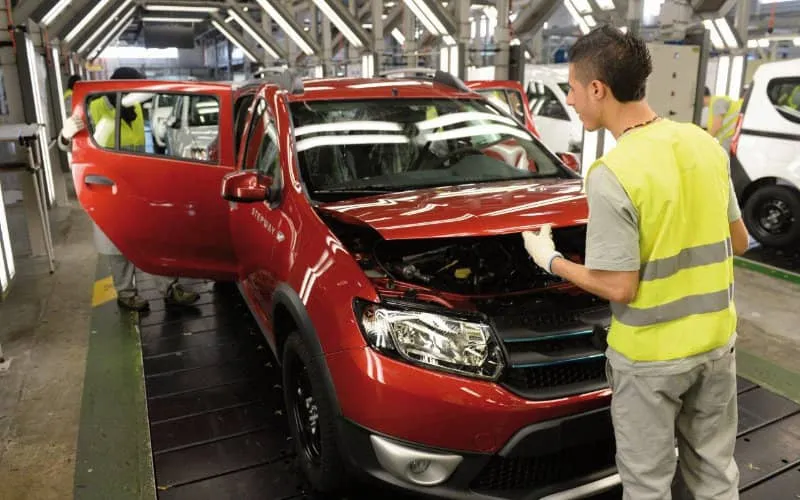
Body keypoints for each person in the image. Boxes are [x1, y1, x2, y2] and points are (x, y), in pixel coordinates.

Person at [521, 26, 750, 500]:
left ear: (598, 89)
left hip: (650, 360)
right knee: (715, 473)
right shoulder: (703, 145)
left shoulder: (613, 174)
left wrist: (551, 260)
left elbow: (620, 287)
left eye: (572, 87)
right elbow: (740, 242)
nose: (570, 98)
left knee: (647, 483)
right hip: (715, 345)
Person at [59, 67, 199, 312]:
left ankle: (169, 288)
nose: (138, 97)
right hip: (106, 187)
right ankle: (126, 293)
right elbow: (72, 146)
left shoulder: (132, 106)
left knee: (154, 236)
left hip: (136, 183)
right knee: (116, 244)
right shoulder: (93, 107)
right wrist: (65, 135)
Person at [702, 86, 742, 152]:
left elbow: (717, 126)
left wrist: (704, 140)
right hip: (729, 137)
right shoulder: (713, 105)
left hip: (732, 137)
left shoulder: (717, 102)